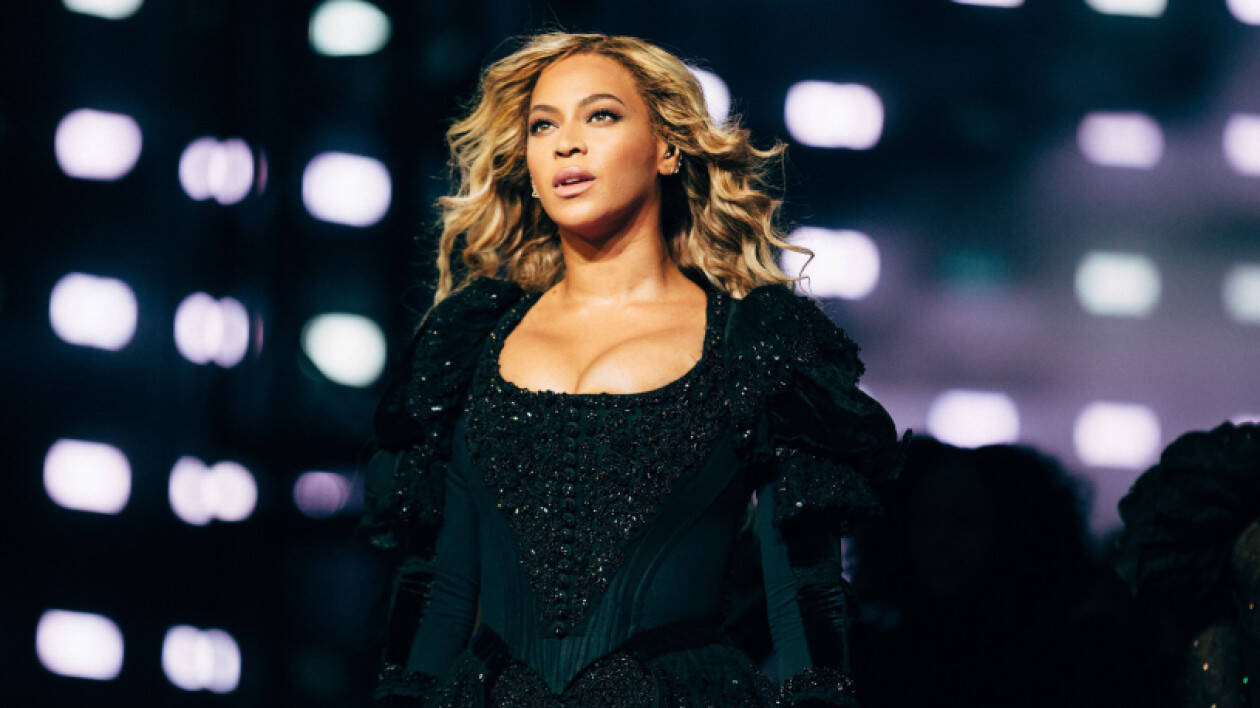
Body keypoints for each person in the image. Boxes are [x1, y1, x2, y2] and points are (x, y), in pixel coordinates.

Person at [358, 31, 908, 707]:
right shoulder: (466, 342)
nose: (566, 144)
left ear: (667, 148)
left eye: (601, 115)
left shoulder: (757, 345)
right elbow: (437, 590)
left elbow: (803, 594)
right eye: (542, 125)